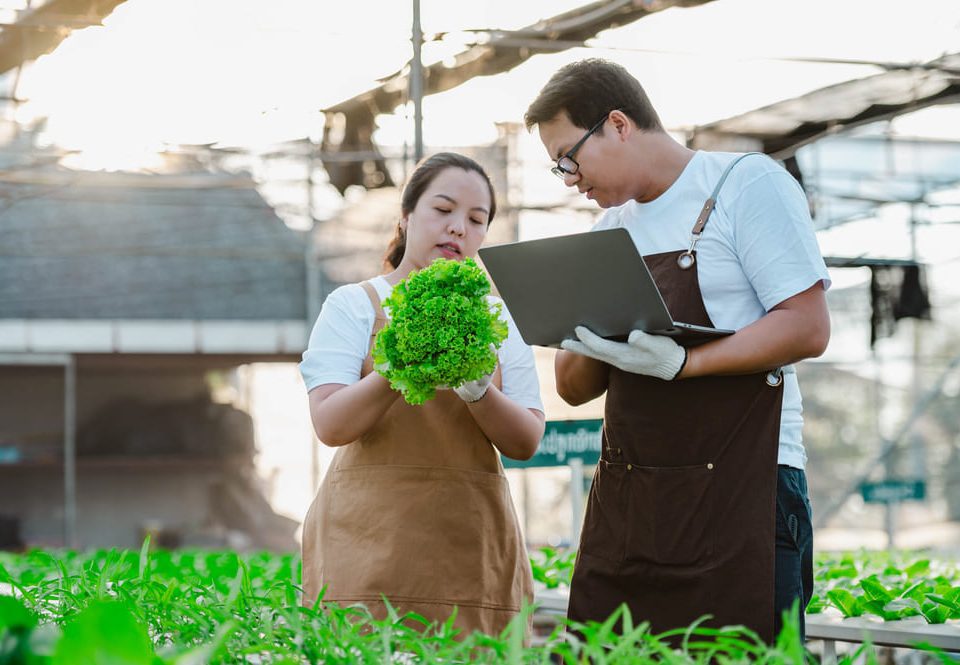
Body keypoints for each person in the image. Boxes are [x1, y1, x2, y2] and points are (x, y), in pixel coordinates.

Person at [523, 59, 831, 643]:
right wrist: (577, 324)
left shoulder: (744, 184)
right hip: (636, 499)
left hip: (748, 489)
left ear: (617, 124)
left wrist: (686, 364)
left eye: (569, 157)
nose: (569, 178)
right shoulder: (609, 231)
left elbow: (806, 326)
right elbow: (573, 386)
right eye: (557, 166)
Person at [298, 152, 545, 637]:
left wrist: (479, 392)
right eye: (443, 209)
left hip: (471, 545)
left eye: (477, 220)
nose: (459, 228)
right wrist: (397, 367)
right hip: (366, 544)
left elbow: (527, 439)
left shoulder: (498, 321)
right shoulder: (355, 305)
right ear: (407, 217)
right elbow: (330, 423)